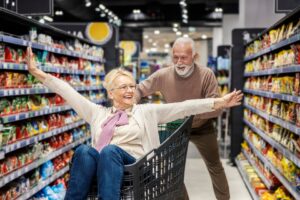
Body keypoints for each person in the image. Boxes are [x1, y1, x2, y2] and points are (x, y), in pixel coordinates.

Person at [26, 47, 242, 200]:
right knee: (83, 151)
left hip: (139, 171)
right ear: (111, 93)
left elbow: (184, 107)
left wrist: (218, 102)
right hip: (104, 171)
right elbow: (67, 91)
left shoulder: (146, 112)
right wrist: (38, 73)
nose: (130, 90)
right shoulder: (97, 113)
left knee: (110, 151)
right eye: (123, 87)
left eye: (132, 86)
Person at [136, 37, 231, 200]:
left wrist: (190, 112)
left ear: (194, 56)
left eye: (184, 57)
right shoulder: (163, 75)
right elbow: (140, 89)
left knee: (215, 165)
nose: (179, 62)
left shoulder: (206, 75)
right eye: (175, 57)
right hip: (175, 127)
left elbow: (217, 108)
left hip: (203, 128)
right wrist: (129, 103)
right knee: (171, 170)